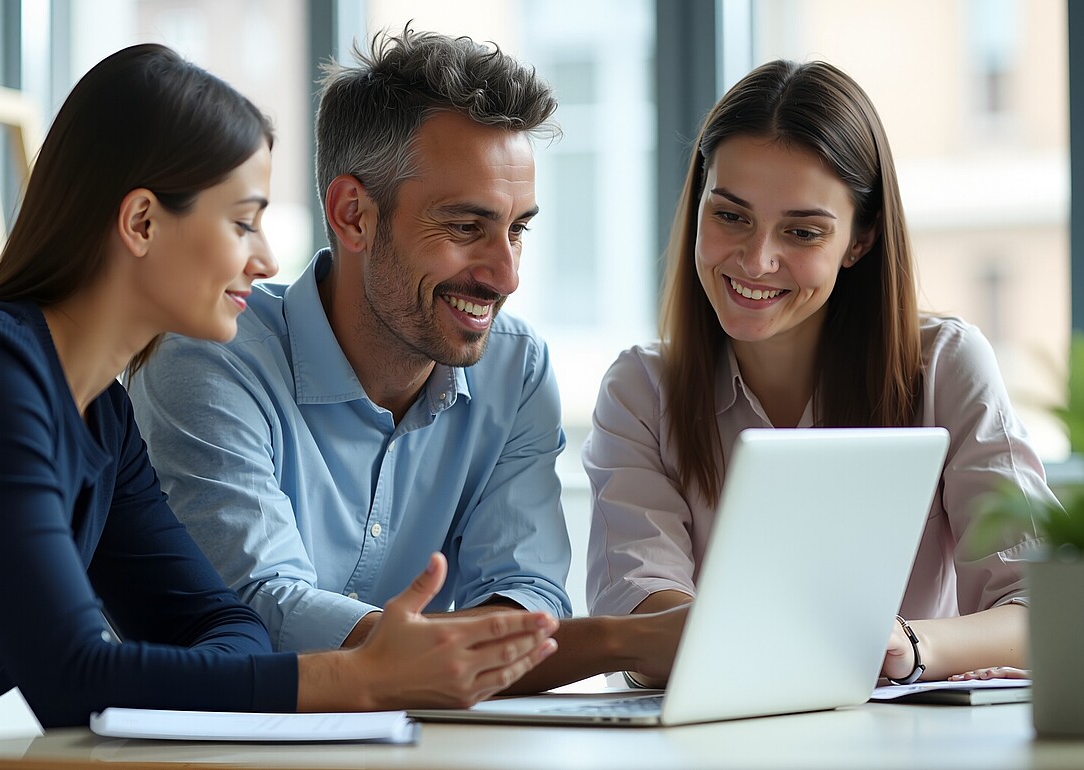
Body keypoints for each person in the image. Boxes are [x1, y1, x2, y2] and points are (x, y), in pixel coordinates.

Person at [0, 44, 558, 769]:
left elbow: (227, 629)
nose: (267, 258)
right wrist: (358, 679)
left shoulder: (101, 420)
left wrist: (230, 672)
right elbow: (75, 680)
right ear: (143, 222)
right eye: (242, 220)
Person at [128, 27, 684, 693]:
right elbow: (261, 606)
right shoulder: (212, 356)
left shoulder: (516, 369)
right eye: (464, 227)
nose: (505, 275)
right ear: (353, 215)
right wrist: (625, 638)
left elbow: (526, 593)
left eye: (517, 229)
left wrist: (448, 656)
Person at [583, 59, 1057, 686]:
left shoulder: (944, 366)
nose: (756, 260)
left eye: (802, 231)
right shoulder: (641, 392)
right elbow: (640, 609)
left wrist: (908, 643)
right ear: (698, 205)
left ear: (858, 241)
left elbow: (1043, 609)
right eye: (730, 216)